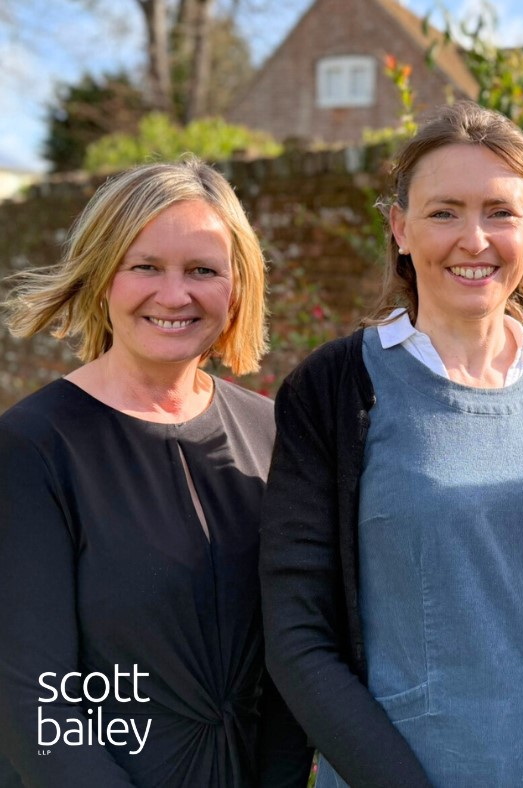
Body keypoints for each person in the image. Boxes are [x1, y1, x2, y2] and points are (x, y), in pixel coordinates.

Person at [259, 101, 523, 787]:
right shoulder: (336, 388)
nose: (474, 238)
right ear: (399, 227)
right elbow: (296, 635)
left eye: (500, 212)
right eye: (444, 211)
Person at [0, 158, 311, 787]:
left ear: (237, 287)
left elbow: (294, 661)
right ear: (101, 275)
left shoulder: (273, 435)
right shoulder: (31, 448)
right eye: (145, 266)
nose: (175, 295)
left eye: (203, 270)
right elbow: (36, 706)